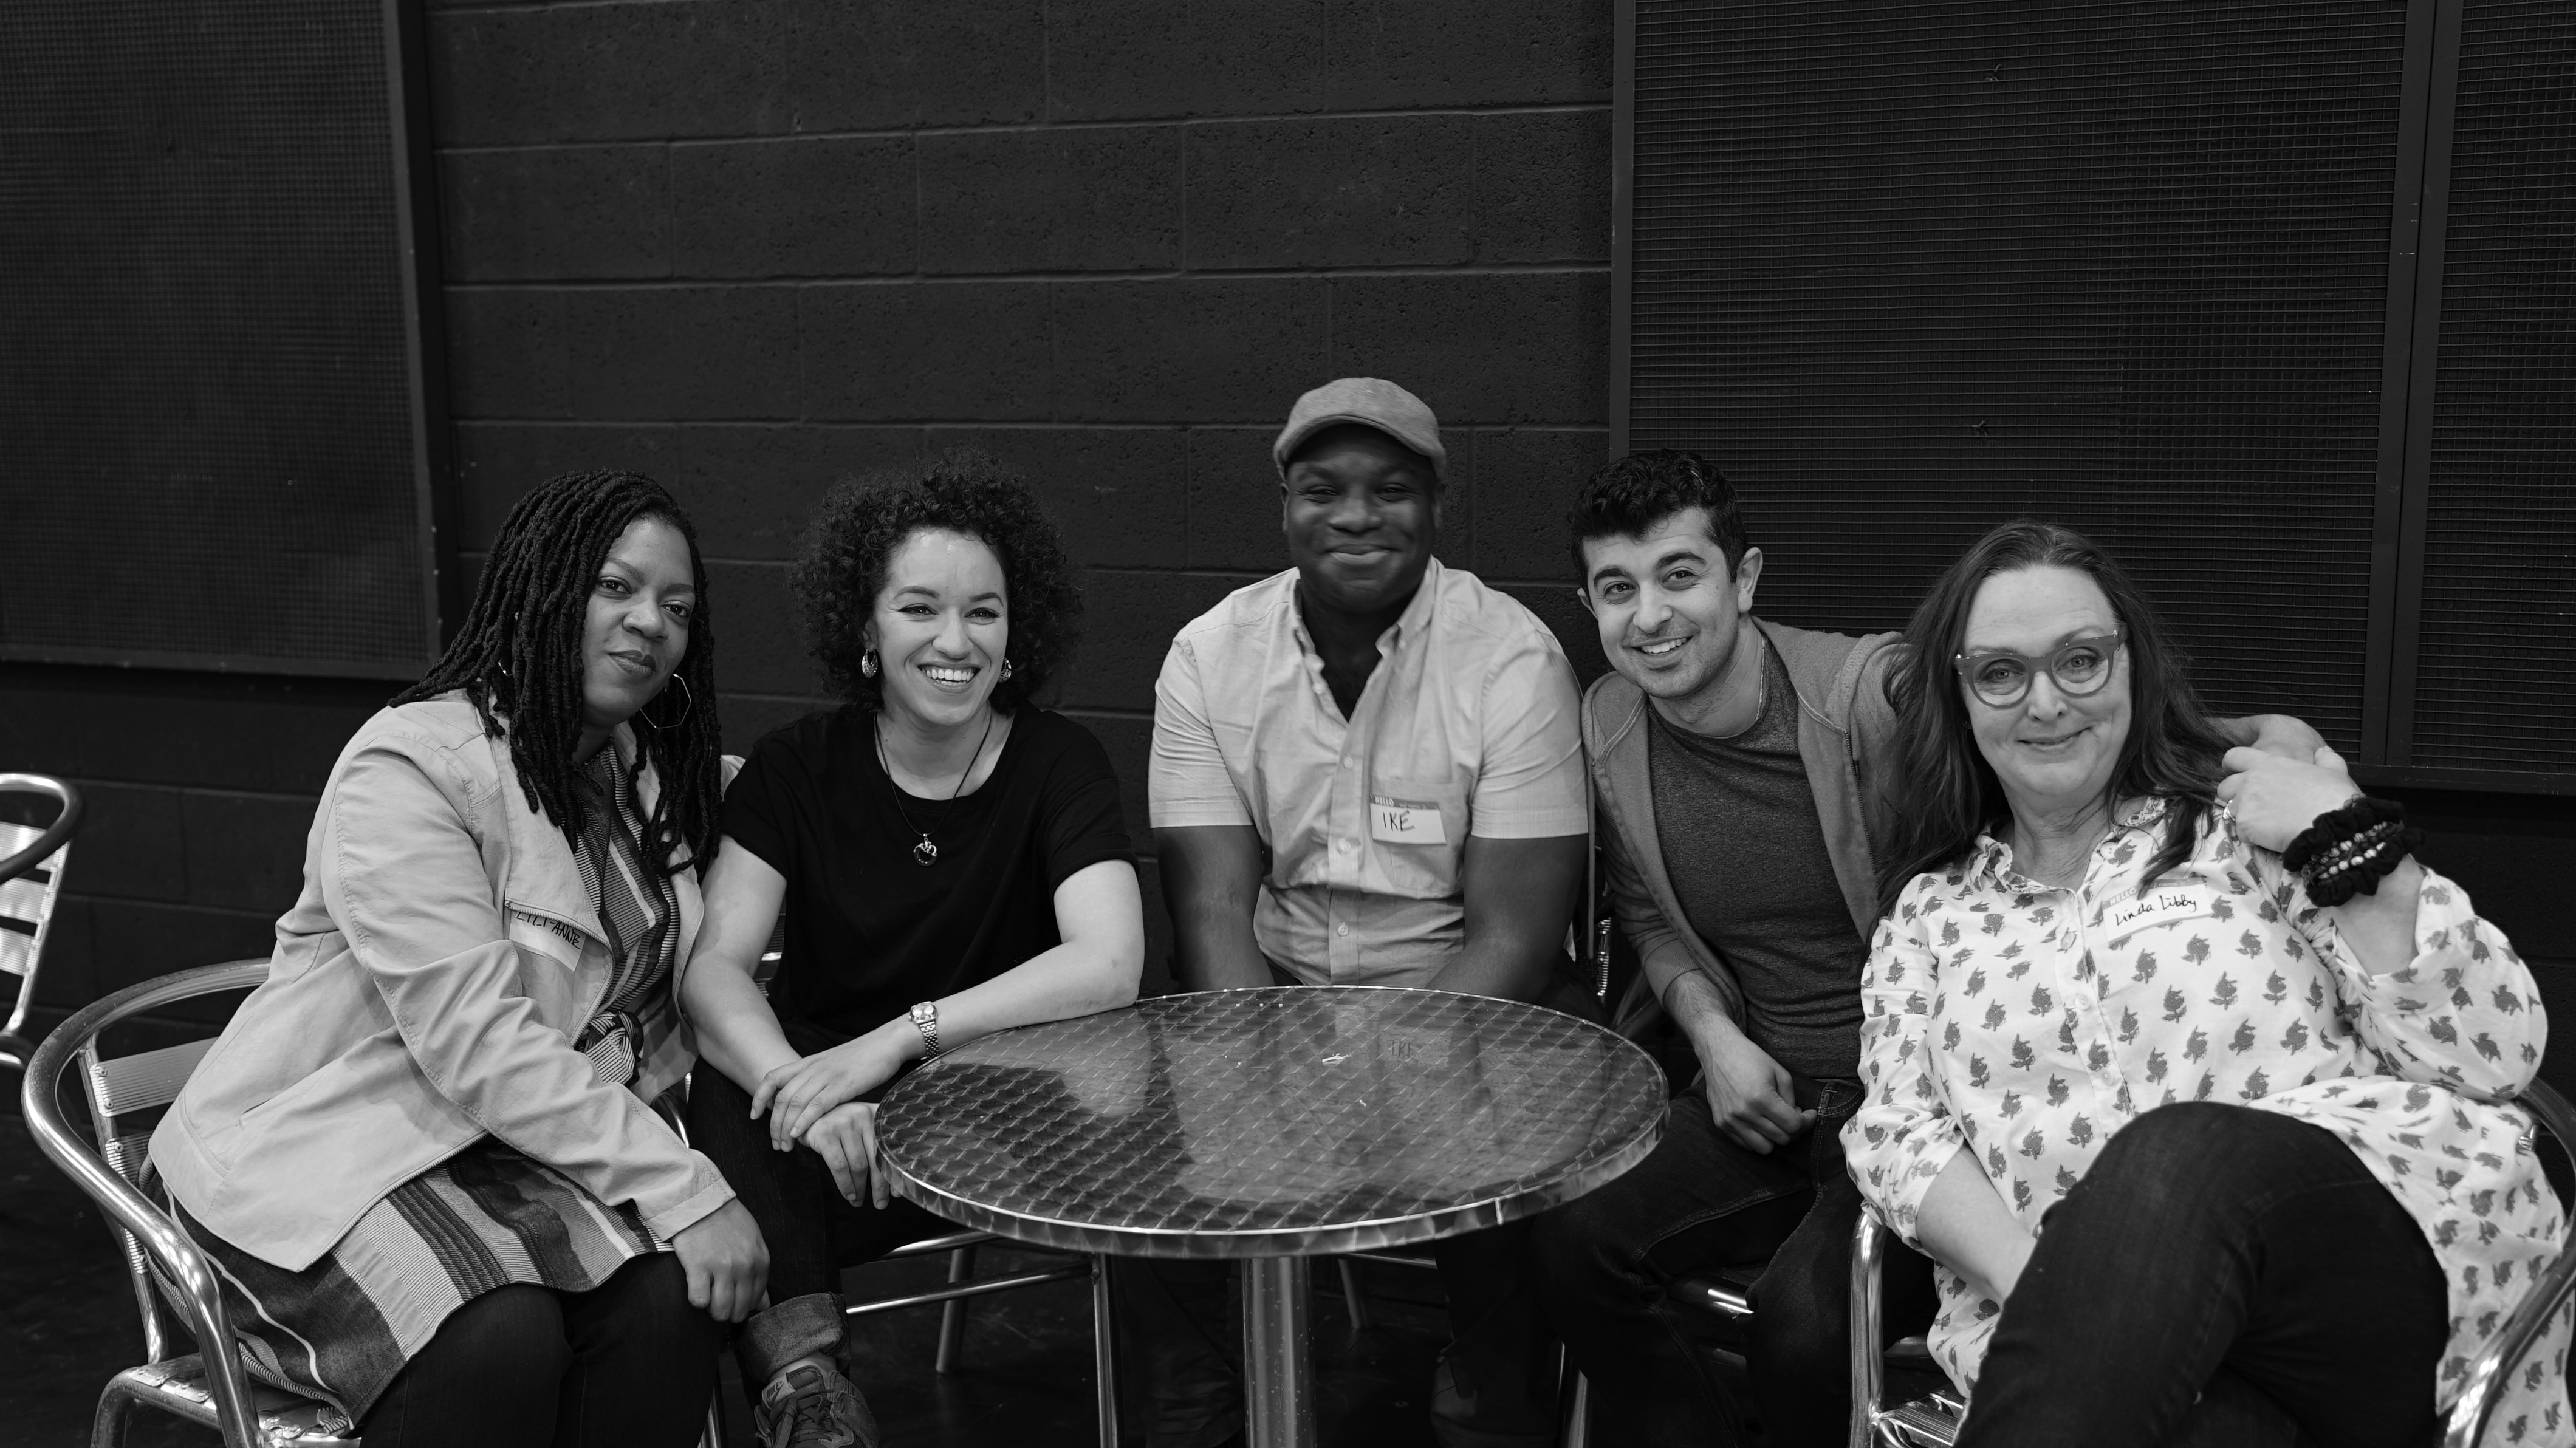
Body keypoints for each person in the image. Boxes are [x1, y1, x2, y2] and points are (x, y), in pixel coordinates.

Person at [1529, 453, 2326, 1446]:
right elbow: (1646, 911)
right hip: (1758, 1095)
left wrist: (2268, 735)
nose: (1650, 617)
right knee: (1566, 1237)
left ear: (1745, 578)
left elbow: (2053, 706)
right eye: (1618, 590)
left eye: (1679, 575)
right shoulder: (1609, 722)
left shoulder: (1867, 690)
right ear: (1589, 605)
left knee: (1807, 1327)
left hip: (1909, 1099)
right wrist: (1711, 1031)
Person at [1846, 519, 2567, 1446]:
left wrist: (2350, 840)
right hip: (2114, 1365)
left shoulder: (2246, 831)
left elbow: (2496, 1055)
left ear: (2131, 669)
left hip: (2369, 1293)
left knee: (2173, 1155)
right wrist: (2074, 1299)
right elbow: (1897, 1134)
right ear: (1962, 697)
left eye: (2081, 660)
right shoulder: (1928, 917)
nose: (2046, 702)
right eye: (2001, 672)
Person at [146, 471, 763, 1448]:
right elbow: (480, 1046)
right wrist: (687, 1187)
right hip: (326, 1156)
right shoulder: (413, 766)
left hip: (496, 1152)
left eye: (676, 608)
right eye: (615, 587)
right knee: (493, 1340)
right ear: (544, 588)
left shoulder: (645, 769)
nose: (650, 622)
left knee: (667, 1303)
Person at [1131, 377, 1592, 1448]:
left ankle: (1487, 1395)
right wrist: (1282, 1078)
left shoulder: (1513, 659)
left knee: (1524, 1146)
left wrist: (1375, 1078)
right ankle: (1205, 1406)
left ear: (1436, 506)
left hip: (1468, 996)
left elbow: (1514, 944)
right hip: (1272, 991)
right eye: (1321, 490)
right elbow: (1212, 920)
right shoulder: (1208, 656)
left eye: (1390, 490)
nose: (1354, 516)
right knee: (1154, 1150)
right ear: (1285, 506)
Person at [679, 451, 1145, 1448]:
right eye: (919, 608)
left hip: (1012, 1108)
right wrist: (807, 1092)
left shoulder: (1060, 761)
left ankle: (1185, 1406)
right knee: (726, 1086)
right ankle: (809, 1399)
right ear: (864, 625)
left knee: (1136, 1081)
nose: (955, 640)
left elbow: (1109, 964)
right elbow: (713, 971)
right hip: (831, 1139)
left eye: (985, 612)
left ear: (1017, 633)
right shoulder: (794, 769)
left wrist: (899, 1041)